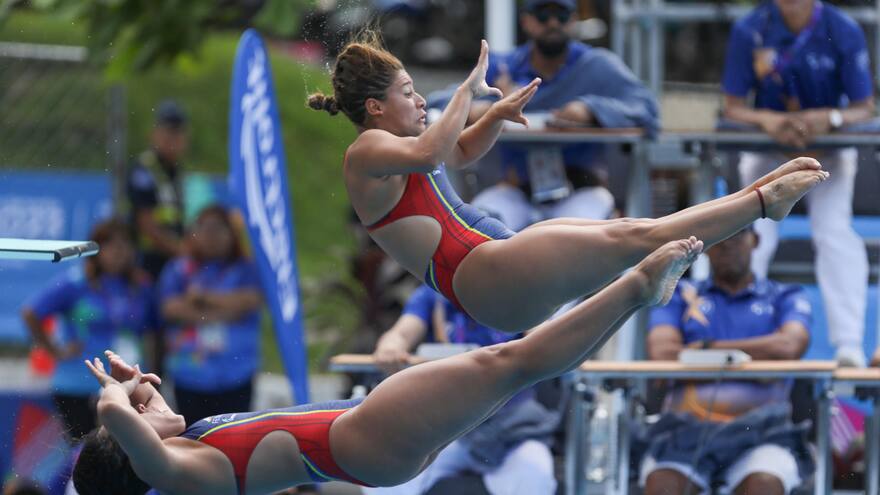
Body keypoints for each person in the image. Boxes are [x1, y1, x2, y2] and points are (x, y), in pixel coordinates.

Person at [72, 236, 702, 495]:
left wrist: (134, 396)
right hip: (362, 438)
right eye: (136, 417)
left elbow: (137, 416)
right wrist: (115, 396)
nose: (146, 400)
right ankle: (635, 289)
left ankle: (633, 290)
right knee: (513, 361)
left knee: (514, 364)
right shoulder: (176, 473)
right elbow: (115, 414)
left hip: (367, 436)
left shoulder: (183, 453)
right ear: (131, 453)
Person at [307, 33, 827, 333]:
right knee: (634, 238)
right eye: (408, 92)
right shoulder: (367, 151)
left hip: (496, 264)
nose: (422, 101)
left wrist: (494, 116)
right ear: (375, 108)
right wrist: (467, 91)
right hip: (485, 276)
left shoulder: (398, 149)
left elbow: (459, 150)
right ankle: (760, 203)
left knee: (634, 230)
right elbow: (432, 150)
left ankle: (734, 210)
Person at [721, 0, 874, 366]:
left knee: (834, 233)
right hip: (769, 148)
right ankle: (739, 339)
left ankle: (849, 344)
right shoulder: (751, 29)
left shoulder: (844, 29)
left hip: (830, 150)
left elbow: (864, 107)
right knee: (751, 234)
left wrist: (832, 118)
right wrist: (767, 121)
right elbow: (732, 107)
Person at [641, 227, 813, 495]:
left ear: (755, 240)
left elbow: (790, 346)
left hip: (764, 434)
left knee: (764, 485)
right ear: (706, 247)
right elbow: (661, 352)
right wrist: (755, 358)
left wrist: (704, 349)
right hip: (685, 433)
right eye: (720, 238)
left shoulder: (785, 295)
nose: (728, 245)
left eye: (738, 235)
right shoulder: (680, 293)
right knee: (662, 485)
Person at [466, 0, 659, 230]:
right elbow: (444, 104)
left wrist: (590, 109)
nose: (553, 23)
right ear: (526, 21)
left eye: (562, 15)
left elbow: (647, 108)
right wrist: (488, 109)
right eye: (543, 15)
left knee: (574, 238)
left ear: (574, 20)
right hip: (515, 191)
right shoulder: (504, 67)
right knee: (479, 226)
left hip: (580, 192)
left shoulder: (595, 65)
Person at [366, 284, 558, 495]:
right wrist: (390, 347)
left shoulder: (520, 293)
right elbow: (401, 333)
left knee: (536, 474)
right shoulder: (432, 295)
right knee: (388, 475)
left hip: (510, 431)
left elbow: (547, 339)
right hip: (445, 429)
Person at [21, 219, 155, 441]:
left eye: (125, 244)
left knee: (126, 453)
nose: (119, 252)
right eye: (111, 245)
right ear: (97, 249)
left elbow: (151, 331)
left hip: (128, 384)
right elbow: (31, 313)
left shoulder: (141, 286)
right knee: (85, 453)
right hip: (79, 382)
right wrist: (55, 351)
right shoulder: (76, 282)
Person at [157, 205, 263, 425]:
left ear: (231, 234)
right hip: (190, 374)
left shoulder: (246, 269)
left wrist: (202, 299)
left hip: (237, 373)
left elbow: (250, 301)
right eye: (205, 229)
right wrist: (226, 311)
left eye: (218, 229)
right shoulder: (178, 269)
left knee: (235, 442)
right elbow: (170, 309)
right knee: (193, 441)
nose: (211, 236)